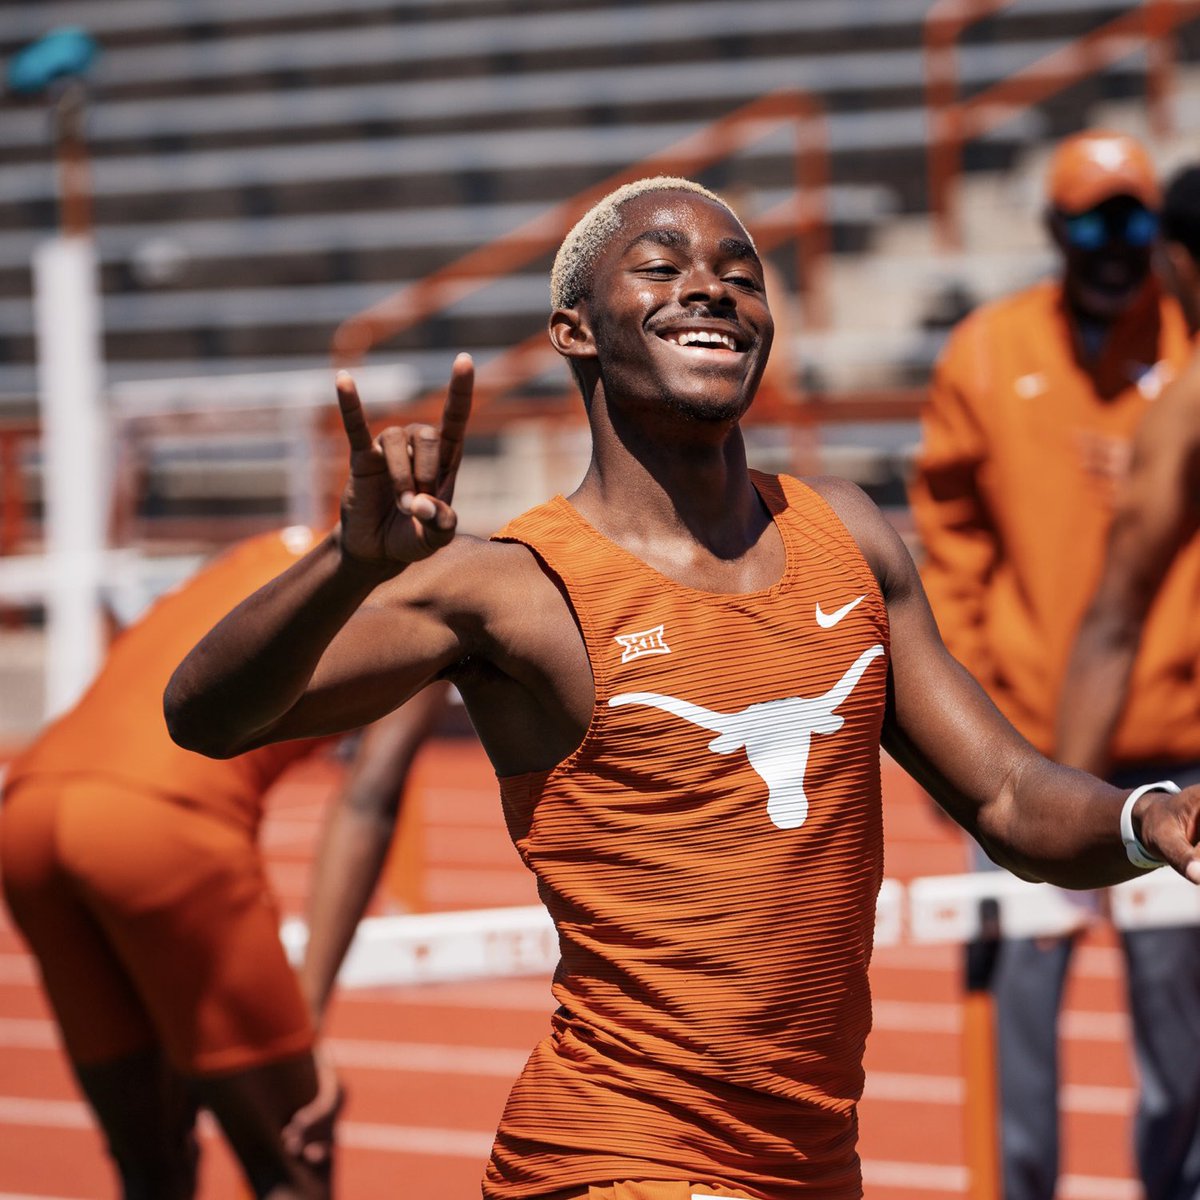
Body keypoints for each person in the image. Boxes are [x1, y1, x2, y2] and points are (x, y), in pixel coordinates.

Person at [165, 177, 1200, 1200]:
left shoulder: (845, 534)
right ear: (575, 332)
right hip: (618, 1155)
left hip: (810, 1163)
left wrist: (1151, 818)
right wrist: (350, 563)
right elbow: (204, 717)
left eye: (740, 275)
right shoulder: (515, 586)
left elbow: (1008, 800)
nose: (710, 289)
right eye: (661, 268)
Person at [909, 134, 1200, 1200]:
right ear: (1052, 230)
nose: (1114, 246)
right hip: (1026, 757)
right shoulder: (985, 354)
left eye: (1132, 222)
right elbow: (950, 554)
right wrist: (969, 724)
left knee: (1185, 1068)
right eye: (1091, 222)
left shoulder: (1189, 349)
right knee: (1014, 1044)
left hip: (1178, 753)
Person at [0, 525, 448, 1200]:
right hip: (157, 823)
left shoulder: (259, 551)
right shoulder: (445, 596)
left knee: (150, 1163)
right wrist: (307, 1018)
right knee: (294, 1152)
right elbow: (368, 801)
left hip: (27, 808)